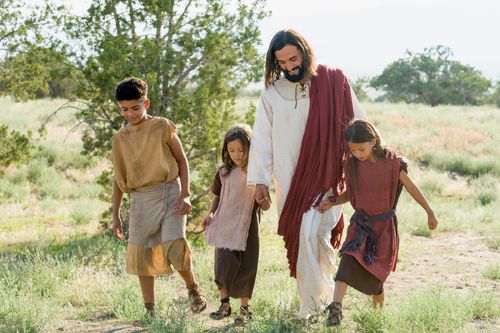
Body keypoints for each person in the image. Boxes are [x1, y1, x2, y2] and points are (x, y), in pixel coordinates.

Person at [247, 28, 365, 318]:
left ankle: (315, 304)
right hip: (289, 180)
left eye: (293, 58)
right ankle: (320, 301)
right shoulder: (272, 91)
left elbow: (359, 124)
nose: (289, 66)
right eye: (282, 62)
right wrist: (260, 179)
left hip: (326, 176)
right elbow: (262, 137)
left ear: (305, 52)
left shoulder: (333, 82)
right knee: (305, 239)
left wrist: (374, 163)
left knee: (314, 234)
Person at [318, 120, 438, 327]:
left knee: (376, 281)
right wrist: (333, 201)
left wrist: (429, 212)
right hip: (360, 225)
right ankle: (335, 308)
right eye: (353, 150)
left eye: (361, 149)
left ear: (373, 141)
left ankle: (376, 320)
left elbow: (412, 187)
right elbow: (351, 193)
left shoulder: (392, 164)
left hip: (383, 229)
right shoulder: (352, 165)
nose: (357, 154)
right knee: (346, 261)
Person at [111, 77, 207, 316]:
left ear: (147, 103)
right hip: (141, 199)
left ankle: (194, 289)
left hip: (169, 192)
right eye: (124, 109)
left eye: (136, 107)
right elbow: (118, 179)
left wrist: (186, 194)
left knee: (174, 244)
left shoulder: (162, 126)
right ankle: (150, 310)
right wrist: (115, 214)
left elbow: (182, 161)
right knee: (141, 253)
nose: (130, 113)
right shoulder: (119, 139)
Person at [202, 124, 270, 324]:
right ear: (226, 150)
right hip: (224, 225)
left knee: (247, 267)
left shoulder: (257, 173)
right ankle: (224, 305)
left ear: (251, 149)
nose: (237, 155)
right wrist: (210, 215)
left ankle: (244, 309)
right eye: (232, 150)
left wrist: (261, 199)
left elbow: (266, 206)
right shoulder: (223, 172)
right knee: (222, 266)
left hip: (248, 228)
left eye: (241, 150)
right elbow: (216, 196)